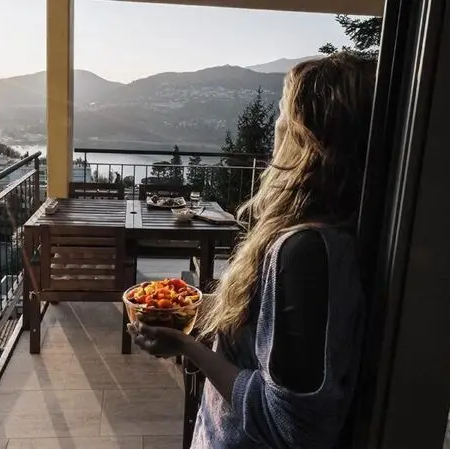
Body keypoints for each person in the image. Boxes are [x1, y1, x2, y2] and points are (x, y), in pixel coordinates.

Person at [128, 53, 375, 449]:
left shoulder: (305, 252)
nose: (275, 125)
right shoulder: (338, 233)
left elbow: (292, 425)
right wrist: (196, 308)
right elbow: (273, 330)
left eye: (283, 110)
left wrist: (188, 346)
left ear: (305, 133)